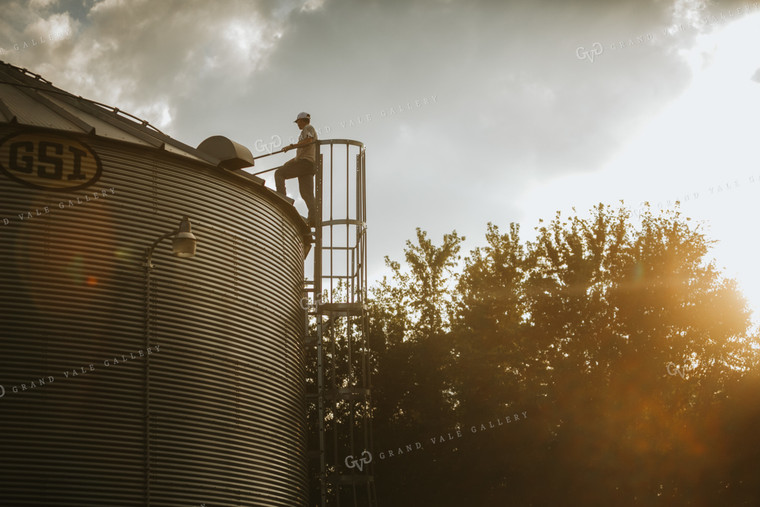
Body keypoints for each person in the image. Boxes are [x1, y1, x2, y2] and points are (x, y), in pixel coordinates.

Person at [275, 112, 318, 225]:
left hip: (305, 164)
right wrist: (288, 163)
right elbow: (301, 155)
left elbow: (309, 141)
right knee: (306, 193)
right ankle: (313, 218)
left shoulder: (308, 128)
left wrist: (291, 146)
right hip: (308, 165)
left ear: (302, 120)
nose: (297, 124)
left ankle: (282, 201)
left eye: (298, 122)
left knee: (279, 173)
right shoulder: (305, 133)